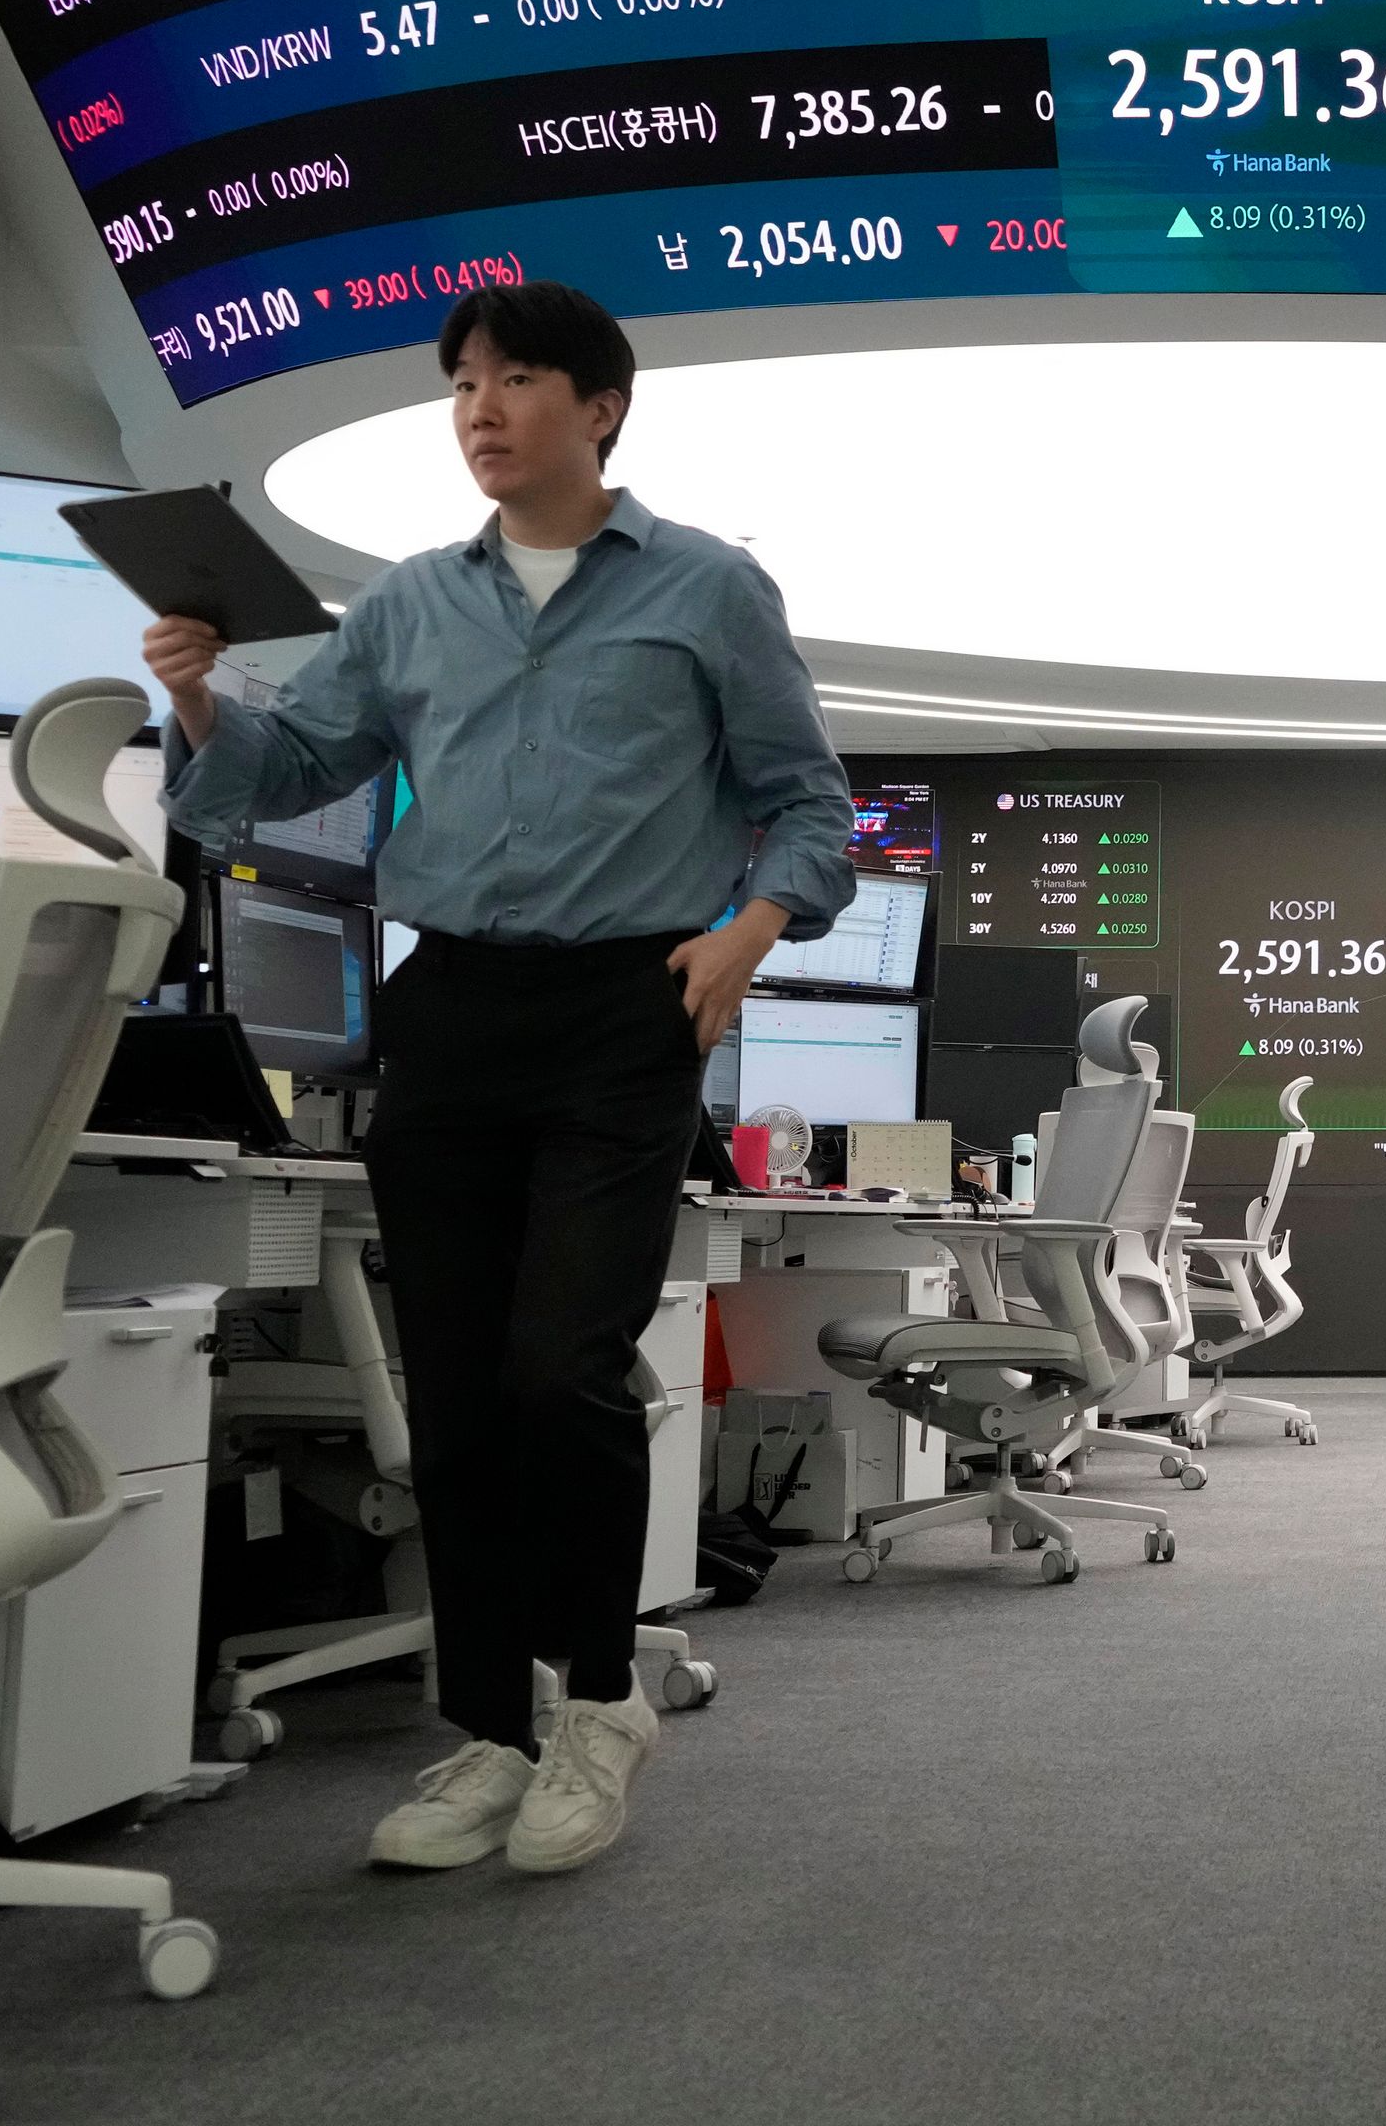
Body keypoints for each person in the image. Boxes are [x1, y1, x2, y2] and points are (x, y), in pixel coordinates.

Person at [146, 281, 857, 1878]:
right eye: (464, 383)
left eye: (519, 378)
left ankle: (600, 1698)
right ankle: (489, 1728)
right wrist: (198, 697)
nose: (483, 408)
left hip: (629, 1007)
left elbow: (808, 803)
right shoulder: (406, 603)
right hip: (452, 1005)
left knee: (563, 1371)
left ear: (600, 410)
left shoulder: (708, 588)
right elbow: (286, 778)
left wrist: (749, 931)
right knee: (456, 1402)